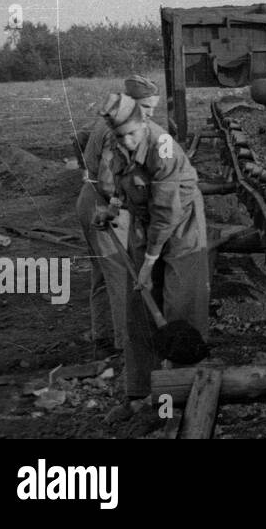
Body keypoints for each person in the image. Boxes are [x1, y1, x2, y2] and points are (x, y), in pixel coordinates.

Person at [105, 98, 209, 400]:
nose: (127, 140)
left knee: (180, 304)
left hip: (180, 224)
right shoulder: (117, 143)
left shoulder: (162, 147)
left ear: (143, 123)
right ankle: (140, 392)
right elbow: (122, 184)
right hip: (145, 221)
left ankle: (182, 391)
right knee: (138, 306)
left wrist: (149, 265)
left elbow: (166, 212)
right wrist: (112, 209)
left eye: (132, 133)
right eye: (120, 134)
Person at [70, 77, 167, 356]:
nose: (150, 114)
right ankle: (128, 348)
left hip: (87, 200)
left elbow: (78, 139)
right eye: (147, 107)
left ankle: (102, 337)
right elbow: (109, 181)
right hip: (105, 204)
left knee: (102, 274)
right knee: (122, 277)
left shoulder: (107, 120)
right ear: (131, 103)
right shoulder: (120, 130)